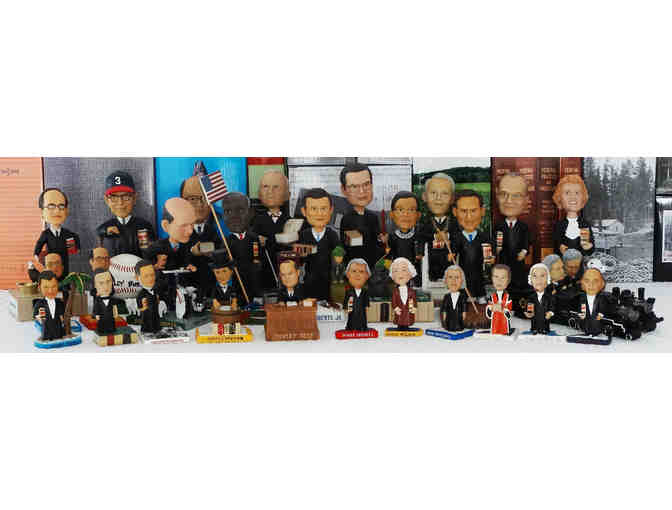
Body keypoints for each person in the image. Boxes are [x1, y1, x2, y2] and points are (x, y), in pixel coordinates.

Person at [448, 190, 495, 300]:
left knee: (479, 281)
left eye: (473, 211)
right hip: (464, 268)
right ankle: (465, 297)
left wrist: (491, 258)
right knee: (465, 282)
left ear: (482, 211)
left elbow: (490, 251)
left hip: (478, 268)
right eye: (463, 211)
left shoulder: (484, 237)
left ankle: (481, 296)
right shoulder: (457, 237)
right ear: (455, 212)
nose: (469, 217)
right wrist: (451, 255)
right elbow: (454, 250)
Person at [96, 171, 155, 257]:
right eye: (114, 197)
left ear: (134, 198)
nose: (120, 202)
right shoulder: (107, 227)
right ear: (106, 200)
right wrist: (105, 230)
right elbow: (98, 234)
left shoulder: (142, 225)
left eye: (126, 196)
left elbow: (149, 251)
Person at [298, 188, 341, 301]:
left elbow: (338, 253)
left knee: (327, 302)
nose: (319, 213)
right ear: (304, 211)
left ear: (331, 210)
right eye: (314, 209)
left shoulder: (331, 234)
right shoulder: (304, 235)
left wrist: (338, 257)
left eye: (323, 208)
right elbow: (300, 259)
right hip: (309, 279)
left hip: (327, 279)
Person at [339, 163, 384, 270]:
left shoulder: (373, 217)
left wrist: (382, 239)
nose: (362, 191)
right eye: (354, 186)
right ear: (344, 190)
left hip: (372, 264)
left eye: (366, 184)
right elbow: (351, 244)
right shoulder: (347, 219)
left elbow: (377, 242)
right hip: (355, 265)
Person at [220, 192, 264, 301]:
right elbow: (223, 262)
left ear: (251, 213)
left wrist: (258, 262)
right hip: (236, 277)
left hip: (253, 276)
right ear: (222, 216)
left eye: (240, 210)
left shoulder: (254, 238)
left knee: (254, 291)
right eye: (228, 211)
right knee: (238, 294)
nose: (234, 216)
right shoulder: (226, 242)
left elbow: (259, 254)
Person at [250, 169, 290, 289]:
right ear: (259, 193)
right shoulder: (256, 221)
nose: (270, 192)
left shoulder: (290, 222)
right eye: (265, 187)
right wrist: (257, 239)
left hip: (286, 270)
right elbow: (250, 242)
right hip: (264, 271)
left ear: (287, 194)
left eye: (276, 187)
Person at [493, 173, 530, 289]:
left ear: (526, 200)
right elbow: (494, 242)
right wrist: (496, 249)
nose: (509, 201)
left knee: (518, 279)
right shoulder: (498, 226)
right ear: (497, 196)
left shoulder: (523, 227)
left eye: (517, 195)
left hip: (518, 261)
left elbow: (526, 242)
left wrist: (524, 251)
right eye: (503, 194)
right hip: (504, 260)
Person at [33, 188, 80, 277]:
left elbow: (72, 249)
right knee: (52, 276)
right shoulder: (46, 234)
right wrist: (36, 254)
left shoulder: (67, 234)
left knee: (65, 275)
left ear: (66, 211)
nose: (57, 211)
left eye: (61, 206)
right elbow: (39, 244)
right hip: (51, 261)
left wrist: (75, 249)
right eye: (51, 206)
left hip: (64, 260)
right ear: (42, 212)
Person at [419, 173, 457, 282]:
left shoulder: (455, 223)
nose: (438, 198)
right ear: (424, 197)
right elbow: (421, 237)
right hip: (430, 264)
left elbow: (458, 238)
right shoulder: (424, 223)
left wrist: (447, 236)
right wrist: (435, 237)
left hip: (449, 264)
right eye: (433, 193)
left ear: (452, 199)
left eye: (444, 194)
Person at [386, 191, 423, 287]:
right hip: (397, 274)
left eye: (411, 210)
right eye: (400, 210)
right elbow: (388, 257)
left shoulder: (419, 236)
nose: (406, 214)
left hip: (415, 275)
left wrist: (420, 254)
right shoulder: (391, 237)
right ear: (392, 215)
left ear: (418, 215)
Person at [552, 175, 595, 257]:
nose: (573, 197)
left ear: (583, 197)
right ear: (559, 198)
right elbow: (556, 246)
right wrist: (560, 247)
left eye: (577, 193)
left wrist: (589, 247)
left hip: (582, 262)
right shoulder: (559, 226)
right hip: (563, 262)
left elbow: (590, 250)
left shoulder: (585, 224)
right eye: (567, 193)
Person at [33, 271, 66, 341]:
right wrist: (39, 317)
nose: (50, 291)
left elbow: (62, 314)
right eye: (46, 287)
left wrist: (63, 320)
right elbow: (35, 315)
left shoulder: (60, 302)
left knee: (58, 334)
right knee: (47, 335)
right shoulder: (39, 303)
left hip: (58, 328)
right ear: (39, 288)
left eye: (54, 286)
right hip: (46, 328)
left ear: (58, 286)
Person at [135, 259, 165, 333]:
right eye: (146, 276)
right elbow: (140, 308)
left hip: (156, 316)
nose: (150, 279)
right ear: (137, 278)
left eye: (152, 275)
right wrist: (143, 307)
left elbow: (157, 301)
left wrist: (158, 301)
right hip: (147, 319)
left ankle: (157, 327)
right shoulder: (141, 294)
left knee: (156, 323)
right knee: (148, 324)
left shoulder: (155, 290)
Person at [578, 265, 609, 336]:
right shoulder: (583, 297)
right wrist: (581, 313)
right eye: (587, 281)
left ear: (602, 284)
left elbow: (603, 306)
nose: (591, 285)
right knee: (587, 322)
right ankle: (587, 331)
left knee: (595, 323)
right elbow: (582, 306)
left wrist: (601, 314)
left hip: (596, 318)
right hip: (587, 317)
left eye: (595, 281)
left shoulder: (601, 297)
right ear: (582, 284)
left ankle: (595, 332)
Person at [524, 263, 555, 335]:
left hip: (545, 318)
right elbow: (528, 306)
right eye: (535, 276)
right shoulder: (531, 297)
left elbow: (552, 306)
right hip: (535, 318)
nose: (539, 279)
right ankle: (534, 329)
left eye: (542, 276)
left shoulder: (549, 297)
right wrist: (528, 313)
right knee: (535, 323)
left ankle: (545, 329)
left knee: (545, 323)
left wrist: (550, 313)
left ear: (548, 279)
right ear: (530, 280)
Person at [343, 258, 371, 331]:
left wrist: (367, 307)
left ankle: (363, 327)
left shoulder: (365, 292)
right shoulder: (349, 292)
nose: (357, 274)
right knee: (351, 320)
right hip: (352, 311)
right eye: (354, 271)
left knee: (362, 319)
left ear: (367, 276)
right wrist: (345, 308)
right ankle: (351, 328)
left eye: (361, 272)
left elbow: (366, 300)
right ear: (348, 275)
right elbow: (346, 300)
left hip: (362, 311)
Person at [91, 268, 122, 335]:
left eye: (108, 282)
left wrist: (115, 313)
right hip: (102, 319)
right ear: (95, 286)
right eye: (101, 283)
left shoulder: (112, 299)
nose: (106, 286)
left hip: (111, 318)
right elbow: (96, 308)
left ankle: (111, 330)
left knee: (111, 324)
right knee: (102, 326)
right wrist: (97, 314)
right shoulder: (98, 300)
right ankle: (102, 330)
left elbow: (114, 306)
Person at [389, 257, 418, 330]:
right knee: (399, 320)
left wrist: (413, 307)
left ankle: (406, 327)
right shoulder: (395, 291)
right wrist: (395, 308)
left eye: (404, 270)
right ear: (393, 276)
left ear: (410, 274)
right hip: (400, 312)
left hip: (407, 312)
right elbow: (394, 301)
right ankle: (400, 327)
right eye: (396, 271)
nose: (400, 274)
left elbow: (412, 300)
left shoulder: (411, 291)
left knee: (407, 320)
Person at [486, 264, 513, 335]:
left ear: (508, 281)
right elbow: (489, 310)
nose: (499, 281)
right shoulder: (492, 297)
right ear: (492, 279)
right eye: (496, 277)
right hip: (494, 323)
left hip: (504, 323)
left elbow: (509, 312)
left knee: (504, 331)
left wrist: (503, 310)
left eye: (503, 278)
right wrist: (491, 308)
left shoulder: (508, 297)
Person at [440, 265, 468, 332]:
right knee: (450, 324)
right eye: (450, 277)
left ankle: (459, 327)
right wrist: (444, 315)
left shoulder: (462, 297)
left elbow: (464, 306)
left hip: (459, 318)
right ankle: (449, 327)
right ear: (445, 280)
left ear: (462, 281)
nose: (453, 280)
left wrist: (464, 313)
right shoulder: (446, 297)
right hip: (449, 319)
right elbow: (444, 307)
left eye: (457, 277)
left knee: (459, 324)